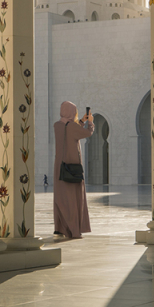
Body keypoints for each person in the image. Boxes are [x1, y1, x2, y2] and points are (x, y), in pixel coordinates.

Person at [53, 101, 94, 239]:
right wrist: (90, 122)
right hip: (72, 168)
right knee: (73, 198)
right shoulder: (71, 127)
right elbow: (87, 133)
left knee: (61, 198)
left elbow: (71, 130)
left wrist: (81, 121)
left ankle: (60, 228)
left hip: (59, 167)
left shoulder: (57, 125)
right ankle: (74, 230)